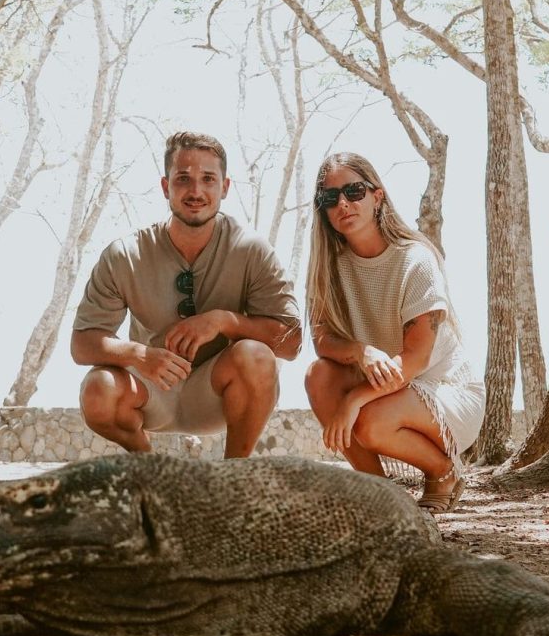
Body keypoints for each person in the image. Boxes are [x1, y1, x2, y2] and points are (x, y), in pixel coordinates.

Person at [71, 131, 302, 458]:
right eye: (183, 179)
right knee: (98, 389)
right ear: (166, 187)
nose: (196, 191)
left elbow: (291, 343)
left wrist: (223, 321)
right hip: (152, 390)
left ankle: (233, 477)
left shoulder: (253, 250)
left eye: (208, 179)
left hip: (217, 393)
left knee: (257, 356)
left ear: (224, 187)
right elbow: (82, 345)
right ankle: (149, 468)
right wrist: (139, 355)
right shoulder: (124, 254)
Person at [304, 152, 485, 512]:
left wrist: (352, 401)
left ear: (377, 196)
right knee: (319, 376)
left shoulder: (414, 258)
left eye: (354, 191)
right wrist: (360, 351)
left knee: (369, 421)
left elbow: (415, 359)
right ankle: (381, 496)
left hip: (445, 393)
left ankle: (443, 471)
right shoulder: (330, 268)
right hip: (388, 390)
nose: (343, 203)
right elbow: (322, 340)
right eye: (330, 198)